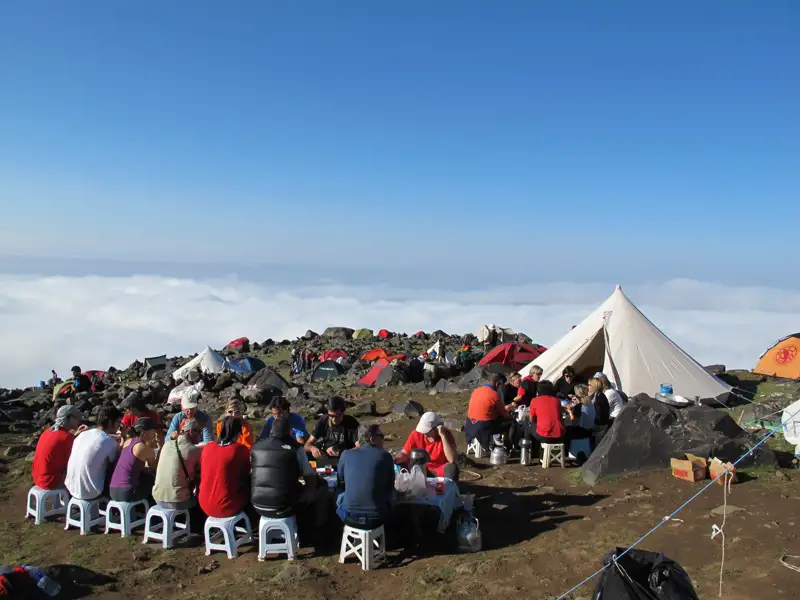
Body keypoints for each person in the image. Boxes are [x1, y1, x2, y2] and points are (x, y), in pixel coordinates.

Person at [251, 416, 329, 537]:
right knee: (319, 487)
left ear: (271, 430)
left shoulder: (256, 447)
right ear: (290, 431)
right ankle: (315, 528)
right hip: (283, 506)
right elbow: (308, 476)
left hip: (257, 505)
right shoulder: (295, 449)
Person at [337, 424, 395, 529]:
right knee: (391, 494)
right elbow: (390, 485)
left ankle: (334, 531)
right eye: (381, 436)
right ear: (372, 439)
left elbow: (340, 481)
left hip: (349, 518)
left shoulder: (346, 454)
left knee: (339, 494)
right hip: (377, 518)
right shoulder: (385, 456)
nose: (383, 439)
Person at [65, 406, 122, 500]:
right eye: (118, 422)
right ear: (110, 422)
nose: (119, 426)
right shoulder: (110, 442)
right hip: (91, 492)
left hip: (71, 488)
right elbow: (118, 463)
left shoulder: (82, 434)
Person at [198, 417, 251, 518]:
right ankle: (251, 525)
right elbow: (247, 471)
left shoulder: (207, 447)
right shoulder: (239, 450)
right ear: (239, 432)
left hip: (204, 504)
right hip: (227, 507)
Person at [32, 405, 87, 490]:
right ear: (69, 418)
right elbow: (75, 461)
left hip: (38, 478)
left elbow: (60, 443)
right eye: (76, 417)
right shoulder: (66, 437)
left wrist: (75, 435)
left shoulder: (48, 431)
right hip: (50, 481)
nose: (79, 420)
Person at [153, 419, 203, 510]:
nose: (201, 435)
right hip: (176, 500)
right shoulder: (194, 451)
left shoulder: (167, 445)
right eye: (199, 432)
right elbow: (202, 472)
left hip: (158, 497)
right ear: (191, 431)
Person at [394, 412, 458, 480]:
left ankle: (444, 487)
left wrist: (442, 435)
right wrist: (394, 460)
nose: (425, 434)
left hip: (437, 471)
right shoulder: (416, 434)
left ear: (436, 428)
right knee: (399, 464)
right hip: (419, 468)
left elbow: (451, 459)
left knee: (452, 468)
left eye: (427, 431)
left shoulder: (445, 436)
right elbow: (404, 453)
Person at [109, 417, 160, 502]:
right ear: (144, 432)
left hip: (113, 490)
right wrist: (160, 445)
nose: (155, 433)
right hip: (127, 492)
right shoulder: (144, 448)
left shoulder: (127, 442)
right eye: (153, 430)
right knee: (152, 479)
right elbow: (155, 468)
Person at [464, 374, 512, 450]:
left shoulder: (476, 390)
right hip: (484, 426)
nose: (501, 388)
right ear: (498, 383)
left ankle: (496, 441)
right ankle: (508, 447)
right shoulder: (494, 394)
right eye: (501, 385)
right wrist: (512, 416)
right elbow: (505, 414)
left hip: (470, 424)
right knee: (511, 423)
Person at [305, 396, 359, 462]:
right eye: (331, 416)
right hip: (326, 457)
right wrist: (312, 449)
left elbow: (360, 447)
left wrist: (342, 452)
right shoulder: (323, 421)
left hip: (346, 458)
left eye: (338, 415)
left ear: (343, 412)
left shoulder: (351, 422)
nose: (334, 419)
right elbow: (307, 445)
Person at [527, 380, 569, 449]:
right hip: (559, 434)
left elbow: (531, 420)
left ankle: (530, 454)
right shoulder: (557, 400)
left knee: (528, 429)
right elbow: (561, 413)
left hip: (544, 435)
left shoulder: (534, 400)